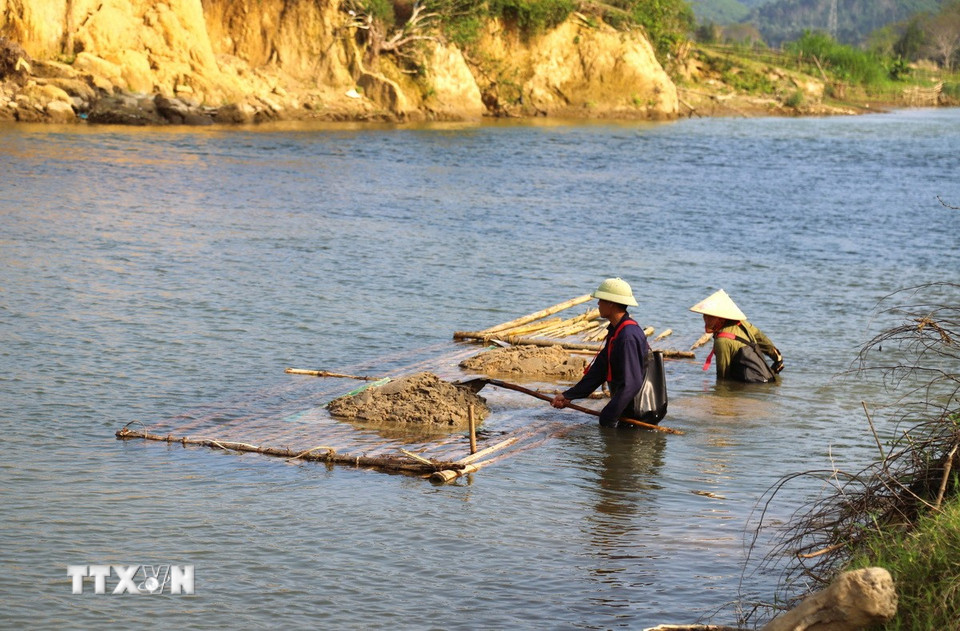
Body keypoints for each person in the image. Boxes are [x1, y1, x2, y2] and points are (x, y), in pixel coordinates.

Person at [551, 278, 650, 428]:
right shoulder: (616, 332)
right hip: (626, 409)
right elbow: (598, 371)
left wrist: (609, 415)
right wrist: (568, 396)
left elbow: (632, 383)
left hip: (640, 415)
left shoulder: (628, 336)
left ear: (611, 302)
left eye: (600, 300)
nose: (598, 304)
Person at [689, 289, 783, 382]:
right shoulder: (742, 323)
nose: (705, 318)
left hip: (752, 385)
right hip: (768, 377)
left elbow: (722, 377)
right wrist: (778, 360)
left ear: (720, 318)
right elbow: (763, 341)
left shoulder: (722, 341)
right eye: (705, 315)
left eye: (710, 316)